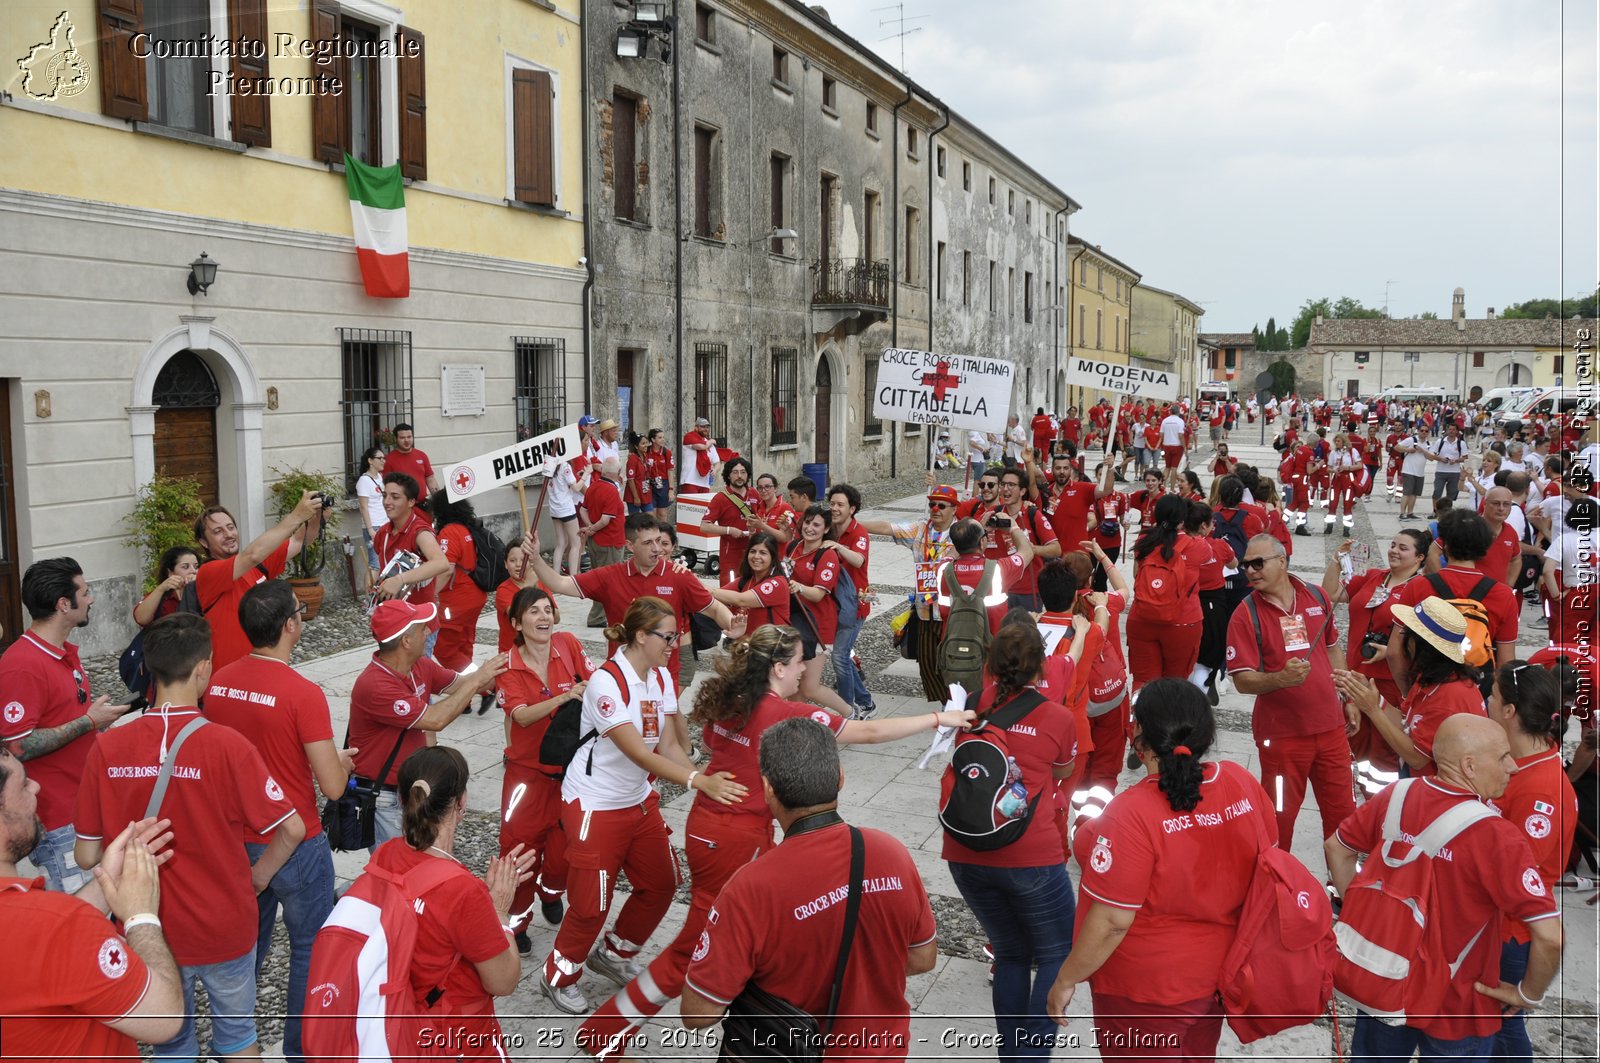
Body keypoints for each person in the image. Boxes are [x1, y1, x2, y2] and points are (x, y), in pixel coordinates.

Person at [579, 625, 972, 1056]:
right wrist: (938, 718)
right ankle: (605, 1030)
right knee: (692, 950)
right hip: (735, 836)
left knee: (741, 929)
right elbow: (870, 733)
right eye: (801, 660)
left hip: (710, 827)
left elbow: (710, 744)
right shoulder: (782, 715)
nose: (805, 668)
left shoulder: (735, 699)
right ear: (780, 668)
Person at [74, 613, 306, 1063]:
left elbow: (87, 855)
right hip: (225, 923)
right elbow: (291, 828)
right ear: (204, 668)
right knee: (237, 1036)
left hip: (149, 929)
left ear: (152, 670)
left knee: (170, 1043)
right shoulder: (227, 745)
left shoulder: (107, 747)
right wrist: (257, 879)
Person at [1047, 679, 1277, 1060]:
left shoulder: (1131, 814)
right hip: (1215, 981)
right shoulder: (1241, 783)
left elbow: (1111, 923)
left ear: (1139, 733)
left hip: (1143, 994)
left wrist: (1066, 978)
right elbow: (1268, 863)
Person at [681, 717, 938, 1057]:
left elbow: (698, 1013)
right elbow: (922, 958)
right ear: (840, 778)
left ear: (768, 788)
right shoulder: (891, 853)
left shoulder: (751, 887)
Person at [539, 598, 746, 1015]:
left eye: (675, 636)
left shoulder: (660, 679)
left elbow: (668, 744)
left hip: (636, 800)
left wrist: (703, 785)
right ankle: (558, 975)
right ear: (639, 636)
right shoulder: (605, 682)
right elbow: (637, 751)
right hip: (593, 805)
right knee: (591, 903)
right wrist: (696, 779)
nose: (674, 644)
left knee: (663, 882)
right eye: (667, 636)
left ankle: (613, 953)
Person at [1327, 715, 1565, 1062]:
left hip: (1385, 979)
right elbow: (1550, 936)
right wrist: (1528, 994)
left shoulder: (1396, 795)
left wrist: (1358, 915)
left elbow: (1337, 847)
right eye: (1502, 757)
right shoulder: (1498, 836)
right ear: (1469, 766)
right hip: (1458, 1005)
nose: (1512, 766)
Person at [203, 582, 352, 1063]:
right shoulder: (302, 693)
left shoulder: (220, 681)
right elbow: (330, 786)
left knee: (251, 948)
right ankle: (300, 1051)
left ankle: (235, 1042)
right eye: (299, 612)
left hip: (238, 839)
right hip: (297, 842)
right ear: (290, 625)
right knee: (310, 948)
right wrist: (344, 762)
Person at [944, 623, 1077, 1060]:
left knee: (1011, 952)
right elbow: (1060, 772)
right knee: (1058, 949)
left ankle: (1012, 1055)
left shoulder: (972, 707)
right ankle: (1030, 1056)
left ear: (991, 665)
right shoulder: (1058, 717)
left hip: (965, 852)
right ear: (1041, 666)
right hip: (1031, 857)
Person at [0, 760, 184, 1059]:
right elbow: (163, 1018)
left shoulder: (46, 923)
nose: (36, 787)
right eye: (22, 784)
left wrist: (105, 883)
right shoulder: (59, 925)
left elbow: (35, 944)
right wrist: (141, 916)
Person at [369, 746, 535, 1058]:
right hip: (457, 1036)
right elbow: (503, 981)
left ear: (403, 800)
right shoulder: (463, 891)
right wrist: (498, 909)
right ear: (462, 803)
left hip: (401, 1018)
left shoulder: (385, 854)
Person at [0, 557, 130, 892]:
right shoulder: (22, 664)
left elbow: (68, 720)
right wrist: (89, 722)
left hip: (83, 809)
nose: (91, 599)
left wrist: (104, 730)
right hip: (59, 821)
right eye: (85, 592)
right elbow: (17, 745)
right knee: (81, 920)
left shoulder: (61, 653)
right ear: (63, 604)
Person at [1226, 533, 1357, 860]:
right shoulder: (1245, 614)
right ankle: (1274, 885)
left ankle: (1341, 894)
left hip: (1331, 731)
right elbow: (1242, 681)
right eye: (1246, 565)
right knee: (1278, 819)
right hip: (1282, 739)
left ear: (1282, 561)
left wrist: (1349, 696)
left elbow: (1331, 648)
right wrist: (1279, 679)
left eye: (1258, 563)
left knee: (1343, 817)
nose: (1250, 571)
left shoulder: (1316, 597)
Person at [348, 601, 507, 847]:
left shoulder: (419, 665)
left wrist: (510, 664)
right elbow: (435, 719)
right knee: (399, 873)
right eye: (422, 628)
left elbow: (461, 684)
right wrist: (477, 682)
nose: (428, 632)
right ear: (406, 642)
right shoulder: (375, 685)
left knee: (421, 866)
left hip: (413, 789)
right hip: (387, 799)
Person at [1484, 661, 1579, 1062]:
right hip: (1496, 928)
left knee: (1502, 1030)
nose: (1485, 700)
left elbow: (1515, 874)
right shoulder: (1520, 763)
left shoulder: (1542, 790)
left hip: (1508, 935)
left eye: (1492, 694)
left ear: (1509, 712)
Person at [524, 513, 732, 694]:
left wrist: (734, 627)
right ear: (630, 546)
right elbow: (560, 583)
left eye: (659, 540)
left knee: (660, 734)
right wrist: (536, 558)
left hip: (665, 674)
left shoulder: (679, 577)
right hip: (622, 674)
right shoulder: (611, 576)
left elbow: (713, 608)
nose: (657, 548)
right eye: (648, 543)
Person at [495, 588, 592, 953]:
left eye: (548, 609)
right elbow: (519, 715)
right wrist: (566, 696)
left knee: (567, 849)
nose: (543, 617)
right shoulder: (507, 665)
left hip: (569, 774)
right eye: (533, 612)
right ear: (517, 623)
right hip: (527, 779)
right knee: (520, 854)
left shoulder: (567, 644)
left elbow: (595, 680)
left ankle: (552, 893)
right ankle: (517, 922)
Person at [1324, 529, 1431, 781]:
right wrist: (1336, 561)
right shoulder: (1374, 577)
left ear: (1419, 558)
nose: (1394, 550)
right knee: (1355, 743)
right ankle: (1361, 797)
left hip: (1389, 683)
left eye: (1403, 548)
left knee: (1384, 754)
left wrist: (1394, 650)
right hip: (1355, 677)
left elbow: (1426, 638)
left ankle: (1381, 805)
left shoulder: (1421, 588)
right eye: (1393, 544)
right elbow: (1330, 595)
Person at [1336, 597, 1486, 776]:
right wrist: (1375, 698)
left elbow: (1416, 758)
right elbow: (1406, 723)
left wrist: (1372, 710)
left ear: (1416, 643)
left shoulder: (1448, 695)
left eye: (1405, 634)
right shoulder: (1434, 677)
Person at [192, 493, 326, 670]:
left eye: (231, 527)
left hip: (262, 671)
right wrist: (296, 516)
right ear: (204, 542)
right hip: (229, 678)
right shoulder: (208, 572)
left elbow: (300, 540)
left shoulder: (257, 566)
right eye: (218, 531)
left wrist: (318, 515)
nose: (228, 534)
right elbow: (252, 555)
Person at [1391, 508, 1520, 683]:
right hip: (1476, 689)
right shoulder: (1503, 594)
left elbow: (1394, 651)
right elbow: (1506, 661)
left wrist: (1408, 694)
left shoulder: (1418, 585)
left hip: (1428, 686)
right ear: (1484, 547)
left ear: (1445, 545)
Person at [859, 485, 961, 701]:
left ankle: (954, 700)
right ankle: (944, 701)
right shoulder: (921, 529)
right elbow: (889, 527)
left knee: (950, 659)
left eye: (941, 505)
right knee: (926, 661)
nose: (935, 509)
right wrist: (853, 525)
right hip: (924, 608)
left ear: (954, 509)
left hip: (951, 609)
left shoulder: (962, 532)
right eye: (932, 504)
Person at [1125, 495, 1204, 692]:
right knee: (1176, 683)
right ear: (1183, 519)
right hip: (1182, 621)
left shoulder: (1143, 540)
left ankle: (1139, 721)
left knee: (1143, 680)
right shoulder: (1198, 546)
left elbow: (1136, 574)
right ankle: (1170, 721)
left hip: (1143, 616)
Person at [783, 504, 855, 716]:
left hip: (818, 627)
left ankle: (849, 713)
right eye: (807, 522)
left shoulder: (827, 555)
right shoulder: (793, 547)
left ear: (825, 529)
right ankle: (797, 728)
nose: (810, 528)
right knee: (793, 687)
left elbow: (818, 594)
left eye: (816, 525)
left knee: (809, 687)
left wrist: (798, 587)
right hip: (794, 623)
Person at [371, 473, 449, 655]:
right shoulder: (383, 533)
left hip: (419, 626)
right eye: (384, 496)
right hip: (394, 622)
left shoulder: (420, 531)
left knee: (418, 680)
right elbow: (381, 568)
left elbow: (441, 563)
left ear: (411, 502)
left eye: (395, 497)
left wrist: (400, 579)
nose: (387, 502)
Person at [826, 483, 878, 719]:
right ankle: (865, 701)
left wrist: (837, 547)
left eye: (840, 505)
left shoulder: (859, 532)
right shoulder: (830, 528)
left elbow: (858, 560)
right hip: (834, 602)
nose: (834, 509)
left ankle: (847, 709)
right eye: (832, 504)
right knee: (843, 655)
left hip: (855, 604)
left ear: (852, 509)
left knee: (839, 656)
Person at [426, 489, 492, 672]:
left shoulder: (449, 532)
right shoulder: (468, 528)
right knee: (464, 643)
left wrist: (430, 595)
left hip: (456, 599)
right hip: (476, 594)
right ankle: (467, 694)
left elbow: (446, 569)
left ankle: (482, 685)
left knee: (443, 648)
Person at [1185, 500, 1237, 704]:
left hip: (1185, 603)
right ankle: (1204, 684)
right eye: (1211, 523)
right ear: (1204, 526)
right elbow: (1234, 563)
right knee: (1211, 649)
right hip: (1213, 603)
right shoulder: (1219, 546)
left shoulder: (1178, 545)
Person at [990, 464, 1061, 611]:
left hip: (1027, 591)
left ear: (1022, 491)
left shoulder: (1032, 514)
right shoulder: (992, 514)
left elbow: (1056, 549)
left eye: (1011, 485)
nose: (1005, 489)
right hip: (997, 590)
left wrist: (1030, 549)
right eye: (1003, 484)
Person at [709, 531, 789, 637]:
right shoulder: (745, 580)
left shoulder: (777, 583)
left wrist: (706, 589)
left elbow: (740, 599)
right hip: (748, 644)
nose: (756, 556)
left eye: (763, 553)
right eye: (753, 551)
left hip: (771, 647)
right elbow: (717, 597)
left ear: (773, 557)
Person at [1544, 496, 1600, 647]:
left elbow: (1547, 571)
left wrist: (1556, 595)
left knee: (1569, 636)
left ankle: (1571, 669)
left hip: (1579, 591)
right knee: (1596, 637)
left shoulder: (1565, 539)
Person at [580, 458, 628, 625]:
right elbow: (606, 519)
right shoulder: (611, 491)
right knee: (608, 580)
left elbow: (583, 509)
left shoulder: (593, 486)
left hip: (595, 541)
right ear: (618, 472)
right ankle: (597, 616)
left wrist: (589, 526)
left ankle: (601, 614)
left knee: (599, 577)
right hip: (610, 541)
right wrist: (592, 528)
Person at [698, 456, 760, 585]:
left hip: (756, 549)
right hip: (731, 553)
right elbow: (704, 526)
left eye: (743, 472)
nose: (739, 476)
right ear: (728, 475)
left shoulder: (755, 494)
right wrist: (728, 530)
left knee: (754, 587)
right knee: (731, 590)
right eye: (735, 472)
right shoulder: (720, 499)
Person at [545, 447, 592, 583]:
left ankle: (555, 575)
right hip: (566, 508)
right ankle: (573, 577)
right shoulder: (565, 465)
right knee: (575, 543)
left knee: (561, 543)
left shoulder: (548, 464)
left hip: (554, 508)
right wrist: (586, 474)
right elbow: (576, 488)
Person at [131, 546, 201, 628]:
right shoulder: (163, 595)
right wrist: (161, 588)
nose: (193, 571)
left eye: (196, 567)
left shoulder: (204, 592)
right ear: (170, 572)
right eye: (185, 567)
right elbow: (141, 619)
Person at [354, 445, 388, 588]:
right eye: (379, 458)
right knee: (374, 564)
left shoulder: (380, 477)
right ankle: (369, 598)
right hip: (373, 525)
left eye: (384, 458)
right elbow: (363, 506)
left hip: (384, 523)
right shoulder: (364, 481)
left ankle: (378, 594)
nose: (383, 461)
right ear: (370, 461)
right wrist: (370, 530)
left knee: (383, 562)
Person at [381, 422, 440, 494]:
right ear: (396, 439)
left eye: (409, 437)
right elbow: (386, 485)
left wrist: (438, 498)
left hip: (422, 504)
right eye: (402, 438)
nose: (406, 440)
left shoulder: (422, 455)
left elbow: (430, 479)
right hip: (401, 504)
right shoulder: (389, 459)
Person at [745, 471, 796, 545]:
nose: (763, 490)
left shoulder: (785, 508)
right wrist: (751, 530)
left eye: (767, 487)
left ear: (775, 488)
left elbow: (785, 538)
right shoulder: (759, 508)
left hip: (778, 555)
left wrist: (763, 526)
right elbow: (753, 541)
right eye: (760, 487)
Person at [1395, 424, 1430, 520]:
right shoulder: (1411, 440)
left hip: (1420, 472)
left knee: (1414, 494)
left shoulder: (1428, 443)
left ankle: (1410, 513)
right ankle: (1402, 514)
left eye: (1426, 431)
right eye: (1422, 430)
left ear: (1428, 433)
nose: (1424, 432)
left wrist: (1423, 451)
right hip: (1409, 471)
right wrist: (1408, 450)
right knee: (1407, 493)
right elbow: (1397, 447)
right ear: (1418, 431)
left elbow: (1430, 457)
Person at [1430, 419, 1468, 502]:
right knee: (1437, 493)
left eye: (1454, 429)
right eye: (1450, 429)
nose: (1451, 431)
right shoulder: (1440, 442)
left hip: (1454, 472)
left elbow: (1465, 457)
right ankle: (1435, 512)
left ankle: (1448, 513)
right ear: (1447, 430)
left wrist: (1456, 460)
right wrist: (1441, 459)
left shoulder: (1461, 443)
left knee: (1451, 495)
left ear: (1457, 431)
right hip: (1440, 471)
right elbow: (1432, 455)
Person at [680, 415, 720, 491]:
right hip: (690, 481)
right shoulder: (689, 437)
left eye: (707, 427)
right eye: (703, 427)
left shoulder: (709, 444)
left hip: (705, 482)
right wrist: (711, 441)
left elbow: (717, 462)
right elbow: (702, 447)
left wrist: (715, 470)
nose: (706, 429)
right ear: (696, 427)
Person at [645, 428, 676, 517]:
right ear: (653, 439)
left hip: (663, 485)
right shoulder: (646, 452)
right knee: (651, 513)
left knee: (662, 513)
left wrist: (671, 490)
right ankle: (653, 530)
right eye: (659, 437)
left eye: (663, 437)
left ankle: (663, 530)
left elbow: (670, 472)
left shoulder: (666, 453)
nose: (663, 439)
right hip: (650, 484)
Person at [1158, 404, 1188, 489]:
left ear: (1170, 411)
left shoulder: (1165, 420)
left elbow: (1161, 434)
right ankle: (1172, 488)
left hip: (1166, 445)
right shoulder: (1180, 421)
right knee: (1174, 468)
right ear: (1178, 412)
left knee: (1167, 467)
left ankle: (1161, 485)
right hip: (1177, 446)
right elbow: (1181, 435)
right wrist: (1184, 447)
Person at [623, 431, 652, 514]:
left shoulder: (645, 456)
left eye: (647, 443)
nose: (646, 445)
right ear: (636, 446)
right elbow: (630, 479)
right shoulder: (632, 459)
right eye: (643, 443)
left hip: (645, 492)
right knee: (635, 520)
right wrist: (636, 497)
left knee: (650, 517)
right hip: (635, 494)